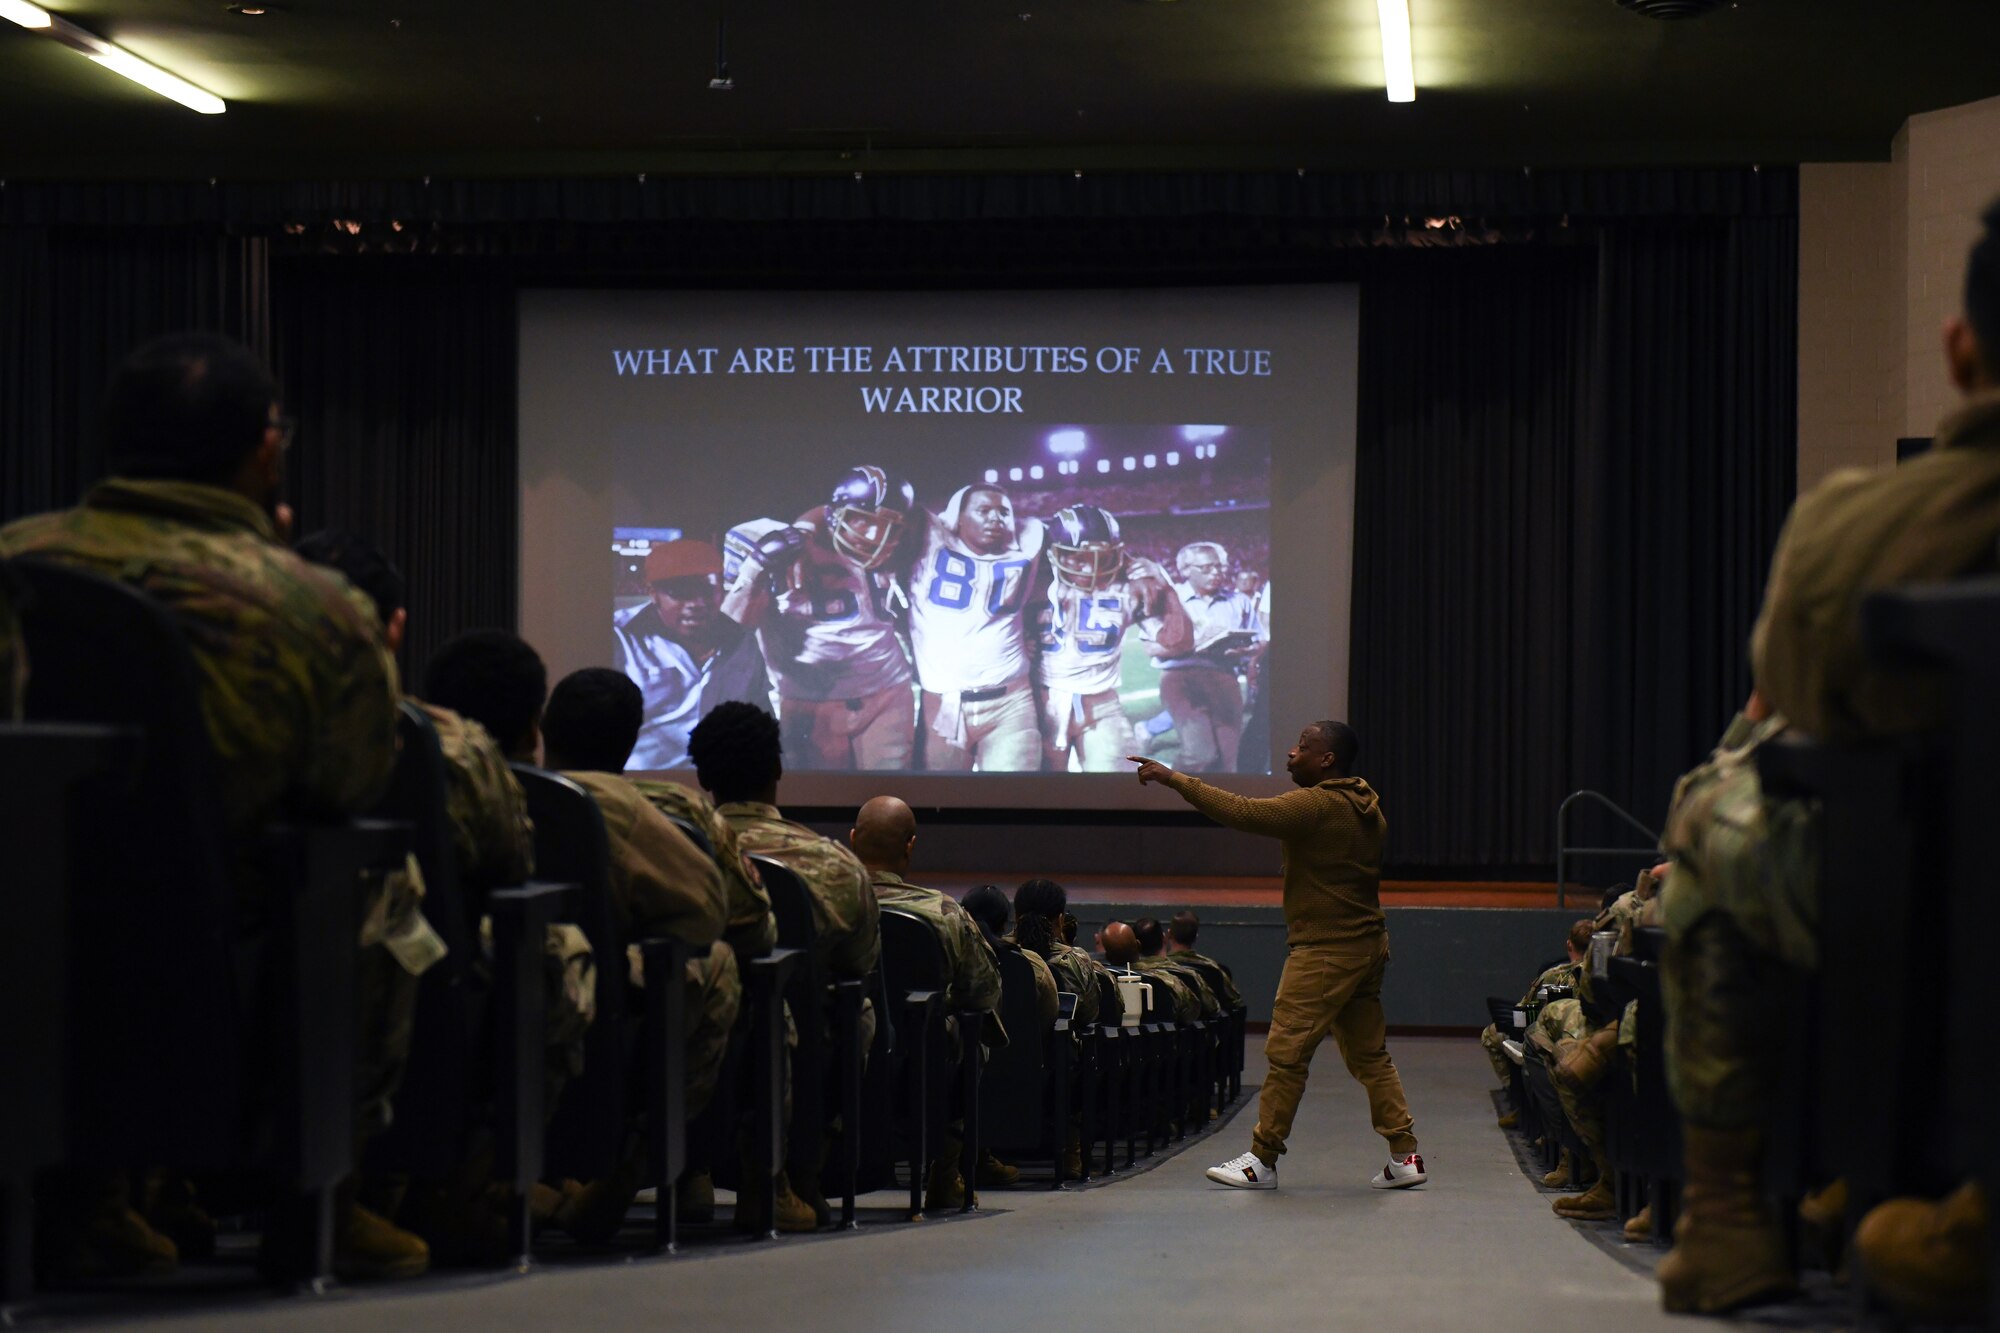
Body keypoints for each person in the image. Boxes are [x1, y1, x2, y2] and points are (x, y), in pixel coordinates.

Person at [0, 333, 427, 1280]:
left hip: (17, 912)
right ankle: (317, 1200)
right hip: (207, 928)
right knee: (375, 879)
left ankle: (96, 1198)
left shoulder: (14, 559)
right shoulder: (308, 605)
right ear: (266, 450)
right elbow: (357, 784)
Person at [1653, 198, 2000, 1316]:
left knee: (1714, 809)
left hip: (1932, 919)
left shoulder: (1856, 523)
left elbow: (1790, 704)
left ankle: (1726, 1222)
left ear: (1958, 350)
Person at [1134, 720, 1423, 1192]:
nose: (1291, 752)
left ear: (1327, 760)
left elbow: (1243, 812)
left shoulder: (1316, 804)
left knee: (1287, 1054)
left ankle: (1261, 1161)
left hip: (1325, 951)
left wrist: (1175, 779)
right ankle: (1404, 1154)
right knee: (1371, 1055)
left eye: (1303, 747)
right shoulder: (1367, 805)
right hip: (1367, 946)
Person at [688, 700, 880, 1233]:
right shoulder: (834, 863)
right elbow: (861, 966)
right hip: (798, 1051)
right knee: (856, 1009)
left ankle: (688, 1173)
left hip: (685, 1036)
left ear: (702, 776)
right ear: (777, 770)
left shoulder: (677, 849)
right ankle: (798, 1174)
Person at [849, 795, 1014, 1203]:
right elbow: (985, 992)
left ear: (852, 840)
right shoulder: (943, 912)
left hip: (836, 1055)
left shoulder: (824, 901)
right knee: (975, 1030)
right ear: (910, 846)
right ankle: (945, 1174)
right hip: (916, 1069)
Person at [719, 467, 919, 771]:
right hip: (808, 701)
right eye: (863, 519)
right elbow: (730, 629)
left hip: (888, 692)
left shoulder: (899, 547)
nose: (874, 535)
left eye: (887, 525)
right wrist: (757, 566)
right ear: (835, 513)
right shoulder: (770, 539)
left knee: (886, 798)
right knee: (823, 800)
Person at [1029, 504, 1191, 771]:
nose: (1090, 566)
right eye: (1078, 556)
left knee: (1117, 785)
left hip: (1102, 704)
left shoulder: (1131, 585)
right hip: (1040, 700)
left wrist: (1165, 586)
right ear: (1053, 552)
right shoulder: (1032, 581)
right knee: (1041, 791)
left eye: (1100, 556)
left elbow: (1179, 642)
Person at [907, 484, 1045, 771]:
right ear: (957, 517)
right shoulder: (928, 537)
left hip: (1012, 702)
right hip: (945, 704)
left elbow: (1083, 551)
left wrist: (1137, 569)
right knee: (943, 803)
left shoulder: (1030, 538)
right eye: (983, 511)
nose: (996, 518)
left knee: (1013, 799)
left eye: (1003, 511)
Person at [612, 538, 771, 770]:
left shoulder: (743, 641)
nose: (698, 603)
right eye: (682, 592)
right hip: (645, 789)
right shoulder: (619, 638)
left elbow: (760, 717)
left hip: (722, 786)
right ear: (652, 592)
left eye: (708, 590)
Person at [1155, 541, 1262, 773]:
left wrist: (1243, 651)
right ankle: (1170, 795)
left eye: (1220, 567)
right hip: (1181, 678)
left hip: (1224, 676)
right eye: (1206, 568)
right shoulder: (1168, 599)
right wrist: (1195, 644)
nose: (1216, 573)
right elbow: (1152, 647)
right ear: (1185, 570)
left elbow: (1258, 641)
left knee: (1229, 761)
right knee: (1199, 754)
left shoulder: (1239, 600)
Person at [1479, 918, 1593, 1126]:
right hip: (1590, 1045)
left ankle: (1522, 1103)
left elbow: (1523, 1010)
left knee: (1494, 1035)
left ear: (1569, 944)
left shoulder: (1553, 975)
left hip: (1551, 1047)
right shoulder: (1601, 977)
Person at [963, 884, 1058, 1028]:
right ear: (1004, 924)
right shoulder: (1032, 964)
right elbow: (1049, 1016)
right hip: (1024, 1049)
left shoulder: (950, 957)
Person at [1132, 916, 1219, 1019]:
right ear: (1164, 938)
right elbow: (1212, 1008)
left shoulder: (1123, 976)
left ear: (1136, 944)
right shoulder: (1188, 976)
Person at [1165, 910, 1244, 1010]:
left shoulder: (1158, 969)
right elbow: (1236, 1002)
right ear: (1196, 936)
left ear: (1169, 934)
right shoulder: (1213, 969)